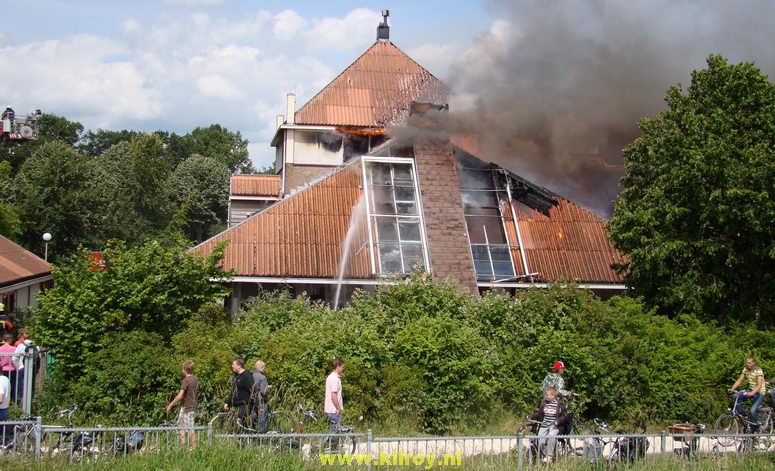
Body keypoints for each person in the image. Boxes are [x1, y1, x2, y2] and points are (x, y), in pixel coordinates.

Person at [528, 386, 568, 464]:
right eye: (546, 395)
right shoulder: (544, 403)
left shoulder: (560, 404)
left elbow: (564, 416)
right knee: (540, 440)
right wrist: (531, 417)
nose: (546, 396)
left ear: (553, 396)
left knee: (551, 436)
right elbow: (539, 413)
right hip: (544, 425)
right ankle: (541, 456)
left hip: (554, 426)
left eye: (547, 395)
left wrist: (558, 421)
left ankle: (549, 456)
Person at [166, 360, 199, 448]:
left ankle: (193, 449)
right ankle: (183, 448)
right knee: (181, 426)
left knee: (190, 428)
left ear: (185, 369)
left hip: (188, 407)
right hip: (189, 406)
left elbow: (180, 395)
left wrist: (170, 405)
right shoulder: (195, 379)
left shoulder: (186, 380)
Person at [728, 355, 766, 427]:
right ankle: (744, 415)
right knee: (735, 396)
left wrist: (752, 393)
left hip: (760, 392)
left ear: (754, 363)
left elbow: (759, 385)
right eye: (747, 363)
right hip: (751, 390)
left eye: (749, 363)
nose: (747, 364)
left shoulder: (758, 370)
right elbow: (740, 380)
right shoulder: (745, 369)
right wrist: (732, 389)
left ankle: (755, 426)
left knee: (752, 410)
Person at [224, 358, 253, 425]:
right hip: (236, 405)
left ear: (239, 366)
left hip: (244, 405)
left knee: (239, 424)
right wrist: (227, 403)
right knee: (234, 425)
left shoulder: (247, 375)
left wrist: (257, 406)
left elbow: (252, 391)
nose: (232, 366)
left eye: (233, 364)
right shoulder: (236, 376)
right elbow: (233, 391)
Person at [12, 329, 37, 404]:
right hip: (32, 368)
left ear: (23, 335)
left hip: (22, 368)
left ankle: (18, 401)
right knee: (31, 385)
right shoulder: (35, 345)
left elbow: (14, 358)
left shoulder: (20, 345)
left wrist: (18, 366)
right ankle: (30, 401)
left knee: (20, 385)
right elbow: (37, 358)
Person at [324, 358, 345, 431]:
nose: (343, 369)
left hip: (331, 410)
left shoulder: (330, 377)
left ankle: (329, 439)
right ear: (338, 367)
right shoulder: (334, 379)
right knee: (335, 433)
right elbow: (333, 396)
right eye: (342, 367)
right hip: (334, 410)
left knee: (333, 432)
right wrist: (339, 409)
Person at [251, 360, 270, 434]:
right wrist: (268, 388)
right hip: (261, 402)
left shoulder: (251, 376)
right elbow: (263, 392)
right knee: (262, 422)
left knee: (254, 421)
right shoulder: (262, 377)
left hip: (252, 402)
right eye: (264, 367)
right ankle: (262, 437)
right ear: (261, 367)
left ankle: (254, 437)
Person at [0, 334, 17, 402]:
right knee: (12, 386)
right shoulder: (14, 348)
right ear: (10, 339)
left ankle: (4, 400)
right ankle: (11, 400)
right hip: (12, 369)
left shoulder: (0, 348)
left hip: (4, 369)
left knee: (4, 385)